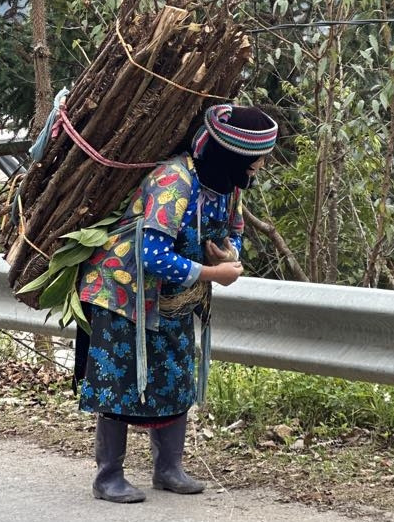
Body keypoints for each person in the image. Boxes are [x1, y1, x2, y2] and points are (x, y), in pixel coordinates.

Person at [74, 104, 278, 503]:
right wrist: (213, 273)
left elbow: (235, 231)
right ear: (233, 155)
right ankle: (107, 477)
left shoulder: (229, 186)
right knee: (121, 384)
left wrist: (229, 253)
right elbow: (152, 256)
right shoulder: (174, 181)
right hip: (122, 293)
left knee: (176, 377)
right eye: (258, 159)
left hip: (172, 298)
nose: (261, 167)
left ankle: (168, 469)